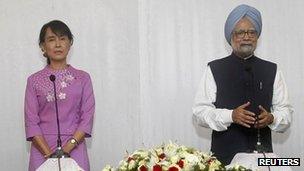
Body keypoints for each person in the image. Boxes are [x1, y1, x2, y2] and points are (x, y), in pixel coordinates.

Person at [192, 4, 293, 165]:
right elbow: (200, 113)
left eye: (251, 32)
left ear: (257, 36)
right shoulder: (214, 68)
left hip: (263, 161)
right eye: (240, 32)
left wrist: (272, 118)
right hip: (224, 161)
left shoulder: (272, 70)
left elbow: (286, 112)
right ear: (231, 36)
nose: (246, 37)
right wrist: (230, 115)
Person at [24, 20, 95, 171]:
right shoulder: (34, 80)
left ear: (70, 44)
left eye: (62, 38)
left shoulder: (83, 78)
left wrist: (68, 148)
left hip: (75, 148)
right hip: (42, 150)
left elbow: (87, 116)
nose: (57, 44)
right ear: (43, 46)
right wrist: (48, 154)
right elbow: (31, 120)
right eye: (51, 39)